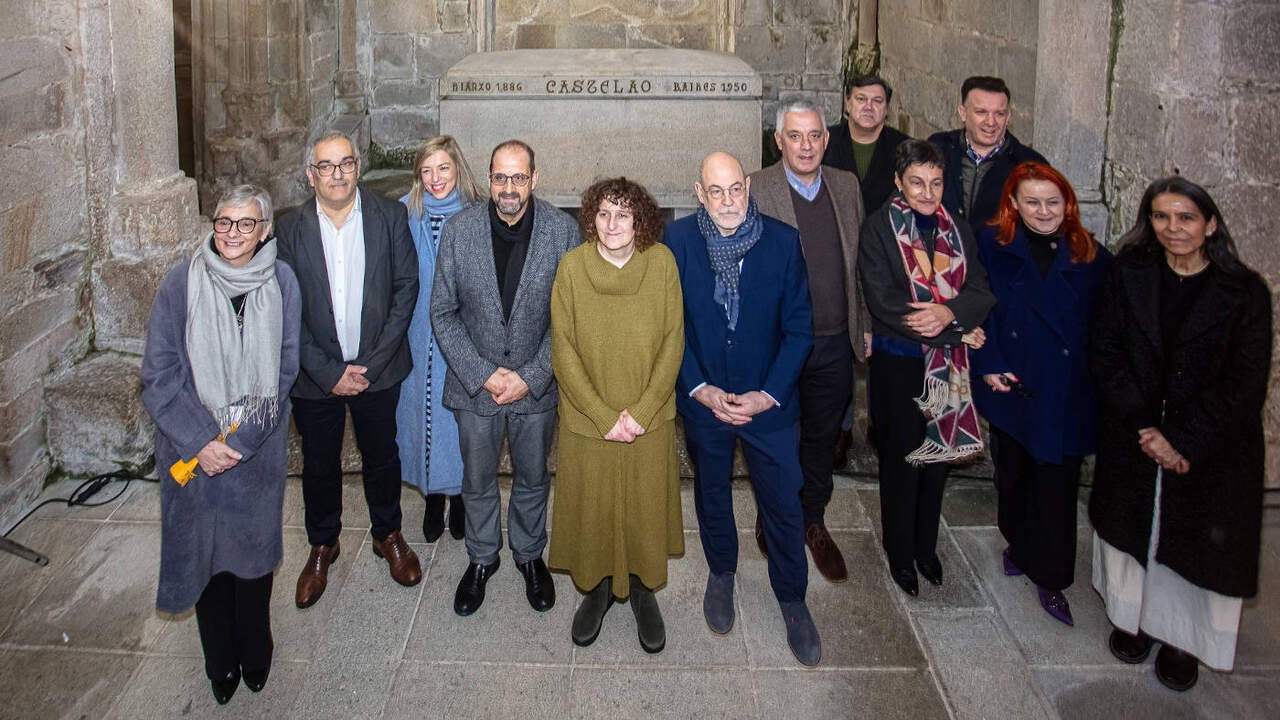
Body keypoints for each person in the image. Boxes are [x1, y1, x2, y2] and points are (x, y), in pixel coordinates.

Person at [1089, 176, 1271, 691]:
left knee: (1193, 545)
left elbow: (1245, 382)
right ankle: (1133, 620)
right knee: (1135, 535)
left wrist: (1182, 440)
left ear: (1210, 224)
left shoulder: (1245, 292)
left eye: (1186, 217)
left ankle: (1182, 640)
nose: (1173, 228)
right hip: (1136, 432)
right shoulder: (1129, 273)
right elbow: (1106, 351)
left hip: (1209, 446)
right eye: (1162, 217)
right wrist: (1144, 426)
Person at [141, 185, 300, 704]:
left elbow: (285, 367)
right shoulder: (180, 284)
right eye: (224, 222)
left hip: (255, 451)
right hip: (192, 455)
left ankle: (256, 648)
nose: (233, 233)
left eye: (246, 223)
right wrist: (203, 442)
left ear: (265, 230)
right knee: (205, 562)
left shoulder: (282, 281)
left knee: (252, 561)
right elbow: (160, 375)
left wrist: (241, 440)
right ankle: (220, 662)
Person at [666, 151, 820, 666]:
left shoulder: (782, 241)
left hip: (768, 405)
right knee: (712, 493)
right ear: (699, 192)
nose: (728, 201)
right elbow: (669, 327)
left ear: (748, 187)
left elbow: (799, 329)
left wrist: (768, 394)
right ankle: (721, 573)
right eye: (716, 191)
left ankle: (792, 597)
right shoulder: (678, 242)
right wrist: (698, 387)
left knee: (782, 501)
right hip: (706, 403)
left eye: (735, 189)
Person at [430, 139, 580, 617]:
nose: (508, 188)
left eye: (518, 177)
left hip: (536, 388)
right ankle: (481, 558)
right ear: (489, 179)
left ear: (534, 179)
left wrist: (531, 376)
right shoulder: (459, 231)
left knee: (533, 477)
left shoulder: (563, 232)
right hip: (475, 387)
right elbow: (443, 312)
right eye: (500, 177)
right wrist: (484, 374)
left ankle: (530, 554)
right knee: (477, 480)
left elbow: (571, 319)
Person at [277, 130, 422, 609]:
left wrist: (370, 365)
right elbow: (285, 308)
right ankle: (323, 543)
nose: (336, 174)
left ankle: (388, 534)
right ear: (311, 175)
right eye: (326, 165)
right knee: (319, 463)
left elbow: (405, 288)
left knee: (382, 456)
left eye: (345, 163)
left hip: (378, 368)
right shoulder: (288, 228)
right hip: (314, 374)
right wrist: (327, 372)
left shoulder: (389, 215)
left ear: (357, 168)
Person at [971, 162, 1112, 626]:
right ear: (1013, 203)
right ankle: (1017, 542)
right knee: (1013, 475)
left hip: (1064, 392)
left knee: (1056, 486)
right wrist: (989, 363)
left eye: (1053, 201)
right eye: (1032, 201)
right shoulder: (991, 244)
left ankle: (1052, 577)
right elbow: (979, 307)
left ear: (1067, 203)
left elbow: (1107, 328)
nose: (1044, 211)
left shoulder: (1091, 255)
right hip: (1012, 385)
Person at [548, 177, 684, 653]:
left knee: (644, 506)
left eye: (623, 214)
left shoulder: (661, 264)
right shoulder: (572, 268)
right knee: (594, 506)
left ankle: (643, 590)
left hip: (648, 418)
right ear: (591, 218)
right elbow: (562, 348)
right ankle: (599, 588)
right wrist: (602, 415)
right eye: (603, 213)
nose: (612, 224)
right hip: (589, 420)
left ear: (639, 220)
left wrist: (643, 410)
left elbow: (673, 340)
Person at [857, 139, 994, 597]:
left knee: (938, 458)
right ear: (899, 181)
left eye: (935, 183)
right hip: (900, 364)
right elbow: (884, 300)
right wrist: (955, 329)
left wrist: (951, 314)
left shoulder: (958, 229)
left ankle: (925, 547)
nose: (927, 193)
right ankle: (900, 553)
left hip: (947, 368)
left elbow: (979, 289)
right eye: (916, 182)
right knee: (904, 458)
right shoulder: (878, 228)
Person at [748, 99, 870, 584]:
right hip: (779, 344)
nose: (806, 145)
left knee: (821, 440)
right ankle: (772, 515)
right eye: (795, 136)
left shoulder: (846, 186)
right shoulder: (756, 188)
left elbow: (857, 262)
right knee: (776, 438)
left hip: (835, 341)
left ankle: (813, 520)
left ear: (826, 139)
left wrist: (864, 324)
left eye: (814, 135)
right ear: (778, 140)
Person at [396, 135, 481, 543]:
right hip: (416, 335)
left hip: (462, 335)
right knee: (420, 417)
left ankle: (460, 497)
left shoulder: (477, 215)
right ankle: (432, 496)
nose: (435, 178)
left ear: (457, 168)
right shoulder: (404, 214)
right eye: (426, 170)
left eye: (443, 168)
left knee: (457, 422)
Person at [927, 76, 1047, 231]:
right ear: (963, 113)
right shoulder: (938, 147)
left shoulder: (1029, 164)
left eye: (999, 114)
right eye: (981, 112)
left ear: (1008, 117)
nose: (991, 122)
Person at [823, 74, 912, 214]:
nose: (868, 107)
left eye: (877, 101)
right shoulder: (825, 141)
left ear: (886, 109)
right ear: (848, 104)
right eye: (861, 99)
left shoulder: (905, 148)